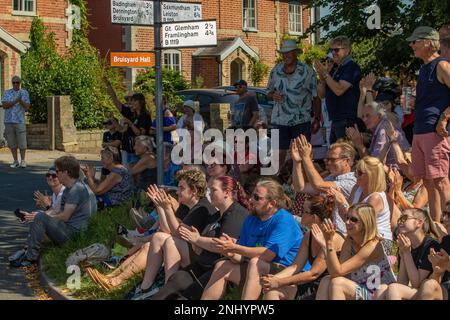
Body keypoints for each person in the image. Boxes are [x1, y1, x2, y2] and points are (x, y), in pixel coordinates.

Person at [148, 176, 250, 300]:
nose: (209, 194)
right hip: (202, 266)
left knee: (184, 296)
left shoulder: (236, 214)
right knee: (175, 281)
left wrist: (197, 239)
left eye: (213, 190)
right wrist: (197, 245)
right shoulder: (217, 215)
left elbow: (222, 245)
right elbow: (200, 245)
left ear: (227, 193)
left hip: (216, 271)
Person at [201, 179, 305, 300]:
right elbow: (241, 257)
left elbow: (267, 255)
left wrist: (236, 248)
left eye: (257, 197)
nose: (251, 200)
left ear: (272, 203)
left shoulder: (284, 220)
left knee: (256, 262)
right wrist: (230, 252)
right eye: (252, 195)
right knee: (222, 265)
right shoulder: (252, 219)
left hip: (289, 273)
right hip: (262, 269)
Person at [129, 170, 217, 300]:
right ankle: (145, 287)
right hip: (186, 252)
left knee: (170, 241)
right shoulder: (186, 206)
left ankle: (167, 289)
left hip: (199, 260)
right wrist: (160, 207)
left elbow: (177, 233)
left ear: (193, 191)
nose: (177, 192)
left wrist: (167, 208)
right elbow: (166, 230)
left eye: (181, 188)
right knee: (159, 237)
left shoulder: (201, 208)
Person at [10, 156, 97, 267]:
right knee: (40, 217)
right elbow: (58, 212)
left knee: (41, 217)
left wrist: (41, 217)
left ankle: (30, 258)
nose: (55, 174)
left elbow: (65, 216)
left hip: (75, 235)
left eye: (57, 172)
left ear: (65, 172)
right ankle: (28, 251)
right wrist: (36, 216)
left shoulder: (76, 189)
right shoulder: (70, 188)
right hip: (71, 230)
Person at [262, 196, 345, 300]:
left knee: (276, 287)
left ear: (314, 217)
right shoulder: (309, 235)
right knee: (271, 291)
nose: (301, 214)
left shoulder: (332, 238)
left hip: (327, 288)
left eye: (304, 211)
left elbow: (313, 273)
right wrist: (273, 279)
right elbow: (295, 266)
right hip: (310, 285)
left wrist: (279, 282)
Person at [406, 26, 450, 223]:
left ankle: (447, 225)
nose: (412, 45)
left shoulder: (442, 65)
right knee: (427, 181)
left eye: (415, 41)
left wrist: (445, 118)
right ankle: (436, 225)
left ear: (428, 42)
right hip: (421, 130)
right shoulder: (424, 68)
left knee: (440, 180)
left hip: (435, 131)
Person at [314, 203, 397, 300]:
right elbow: (336, 272)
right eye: (347, 217)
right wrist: (325, 246)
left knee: (338, 283)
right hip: (363, 288)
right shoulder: (350, 241)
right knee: (326, 280)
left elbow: (337, 272)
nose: (347, 222)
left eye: (353, 219)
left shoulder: (373, 245)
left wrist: (329, 242)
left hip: (379, 293)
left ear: (365, 223)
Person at [267, 39, 320, 166]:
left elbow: (316, 97)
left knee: (302, 155)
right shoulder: (276, 70)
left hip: (300, 120)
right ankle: (277, 182)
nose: (286, 55)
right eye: (283, 53)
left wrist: (317, 118)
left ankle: (299, 183)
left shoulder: (307, 71)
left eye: (289, 52)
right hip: (279, 119)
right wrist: (273, 95)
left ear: (296, 53)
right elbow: (268, 93)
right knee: (277, 154)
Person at [292, 135, 357, 235]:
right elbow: (300, 187)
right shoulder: (331, 178)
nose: (328, 162)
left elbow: (318, 185)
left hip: (339, 234)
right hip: (324, 231)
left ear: (347, 161)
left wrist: (306, 157)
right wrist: (297, 162)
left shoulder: (352, 181)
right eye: (327, 159)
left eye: (332, 159)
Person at [329, 156, 397, 246]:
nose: (355, 175)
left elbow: (359, 224)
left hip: (380, 244)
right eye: (356, 171)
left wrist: (342, 201)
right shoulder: (357, 188)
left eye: (360, 173)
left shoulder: (376, 197)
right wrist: (337, 201)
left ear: (371, 175)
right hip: (362, 239)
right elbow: (347, 219)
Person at [376, 209, 440, 300]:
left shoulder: (431, 245)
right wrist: (403, 255)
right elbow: (402, 283)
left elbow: (417, 283)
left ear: (419, 222)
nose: (399, 222)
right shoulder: (405, 245)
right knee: (381, 288)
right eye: (399, 219)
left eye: (404, 218)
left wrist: (406, 253)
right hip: (416, 291)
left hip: (433, 293)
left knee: (394, 288)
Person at [8, 166, 66, 263]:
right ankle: (28, 249)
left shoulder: (62, 193)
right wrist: (39, 210)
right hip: (59, 226)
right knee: (37, 216)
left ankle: (30, 255)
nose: (50, 177)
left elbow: (60, 216)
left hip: (65, 232)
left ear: (60, 177)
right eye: (48, 175)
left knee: (38, 217)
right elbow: (53, 212)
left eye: (54, 175)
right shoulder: (55, 193)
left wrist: (46, 206)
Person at [315, 36, 362, 144]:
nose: (333, 53)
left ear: (347, 50)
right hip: (335, 120)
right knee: (335, 155)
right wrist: (322, 78)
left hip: (347, 120)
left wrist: (326, 74)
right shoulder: (335, 69)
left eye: (336, 50)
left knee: (344, 155)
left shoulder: (351, 67)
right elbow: (321, 94)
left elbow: (339, 90)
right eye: (331, 50)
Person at [1, 75, 30, 168]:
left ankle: (23, 161)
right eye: (14, 82)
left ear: (20, 83)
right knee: (12, 142)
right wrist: (15, 101)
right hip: (8, 120)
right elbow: (4, 105)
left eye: (17, 82)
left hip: (20, 120)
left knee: (22, 141)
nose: (16, 84)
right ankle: (15, 161)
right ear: (12, 83)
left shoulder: (24, 93)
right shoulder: (7, 92)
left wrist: (20, 100)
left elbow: (27, 107)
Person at [415, 235, 450, 300]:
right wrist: (436, 272)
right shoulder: (447, 240)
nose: (445, 224)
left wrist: (447, 265)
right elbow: (436, 281)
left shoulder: (430, 243)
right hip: (446, 290)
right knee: (429, 284)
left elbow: (416, 284)